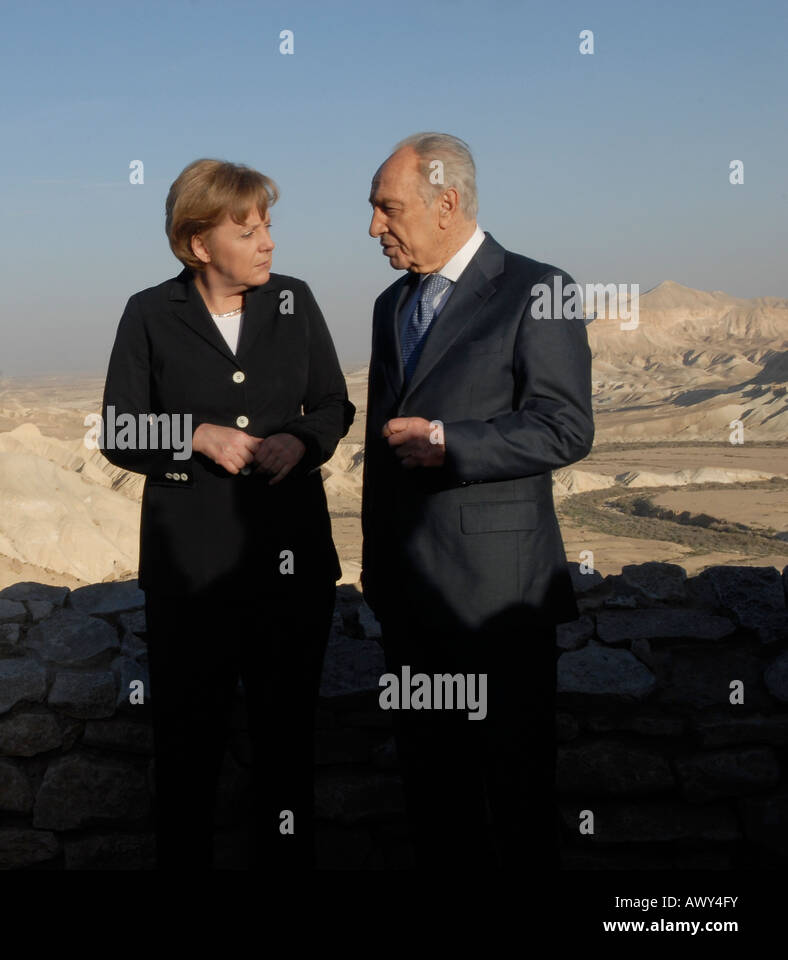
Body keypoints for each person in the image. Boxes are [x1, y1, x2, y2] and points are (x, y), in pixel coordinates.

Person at [99, 158, 355, 868]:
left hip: (292, 567)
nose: (268, 242)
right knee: (187, 748)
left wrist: (300, 442)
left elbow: (334, 405)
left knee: (287, 746)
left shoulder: (295, 301)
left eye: (268, 225)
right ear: (198, 244)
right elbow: (120, 431)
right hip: (192, 573)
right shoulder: (150, 313)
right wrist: (193, 435)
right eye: (248, 230)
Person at [361, 132, 594, 868]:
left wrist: (450, 442)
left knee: (517, 791)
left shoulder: (536, 288)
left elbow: (565, 426)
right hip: (409, 599)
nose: (374, 227)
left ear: (447, 203)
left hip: (499, 601)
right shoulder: (389, 306)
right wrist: (377, 572)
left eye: (387, 208)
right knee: (433, 794)